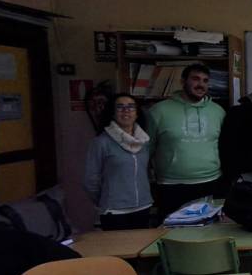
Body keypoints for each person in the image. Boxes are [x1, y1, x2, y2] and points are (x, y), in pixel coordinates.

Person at [148, 63, 226, 218]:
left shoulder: (218, 111)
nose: (201, 84)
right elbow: (146, 150)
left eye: (205, 80)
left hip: (211, 182)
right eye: (195, 79)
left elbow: (224, 147)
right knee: (171, 229)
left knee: (210, 229)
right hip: (171, 186)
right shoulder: (158, 111)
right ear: (183, 81)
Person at [83, 93, 153, 230]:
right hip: (115, 211)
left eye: (131, 107)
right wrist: (105, 199)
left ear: (137, 113)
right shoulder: (101, 142)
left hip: (143, 206)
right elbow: (90, 180)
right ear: (113, 113)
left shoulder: (144, 141)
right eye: (120, 107)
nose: (126, 110)